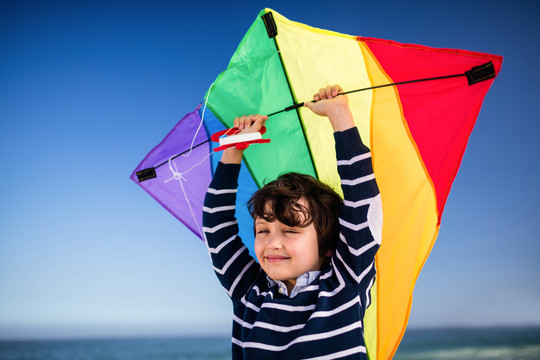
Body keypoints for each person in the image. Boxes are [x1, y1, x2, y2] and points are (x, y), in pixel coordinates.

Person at [202, 85, 382, 359]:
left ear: (328, 245)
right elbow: (217, 227)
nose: (272, 243)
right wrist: (233, 149)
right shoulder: (249, 291)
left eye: (290, 230)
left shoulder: (344, 284)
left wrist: (339, 116)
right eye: (263, 230)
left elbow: (363, 207)